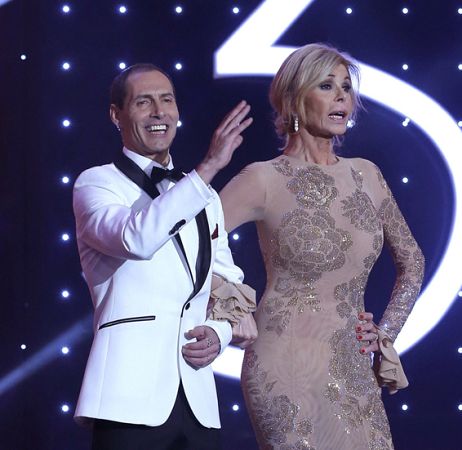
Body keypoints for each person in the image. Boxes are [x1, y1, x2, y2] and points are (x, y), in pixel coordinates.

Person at [219, 43, 426, 449]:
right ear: (295, 100)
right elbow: (193, 242)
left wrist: (384, 334)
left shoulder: (367, 176)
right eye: (327, 86)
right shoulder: (263, 178)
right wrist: (231, 306)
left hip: (352, 366)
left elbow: (413, 261)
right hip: (285, 361)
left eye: (346, 88)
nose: (341, 97)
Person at [72, 63, 258, 450]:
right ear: (116, 115)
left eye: (167, 100)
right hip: (127, 398)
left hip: (197, 398)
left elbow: (230, 284)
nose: (159, 112)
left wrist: (220, 333)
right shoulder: (96, 184)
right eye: (144, 102)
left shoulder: (203, 197)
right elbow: (136, 239)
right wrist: (205, 170)